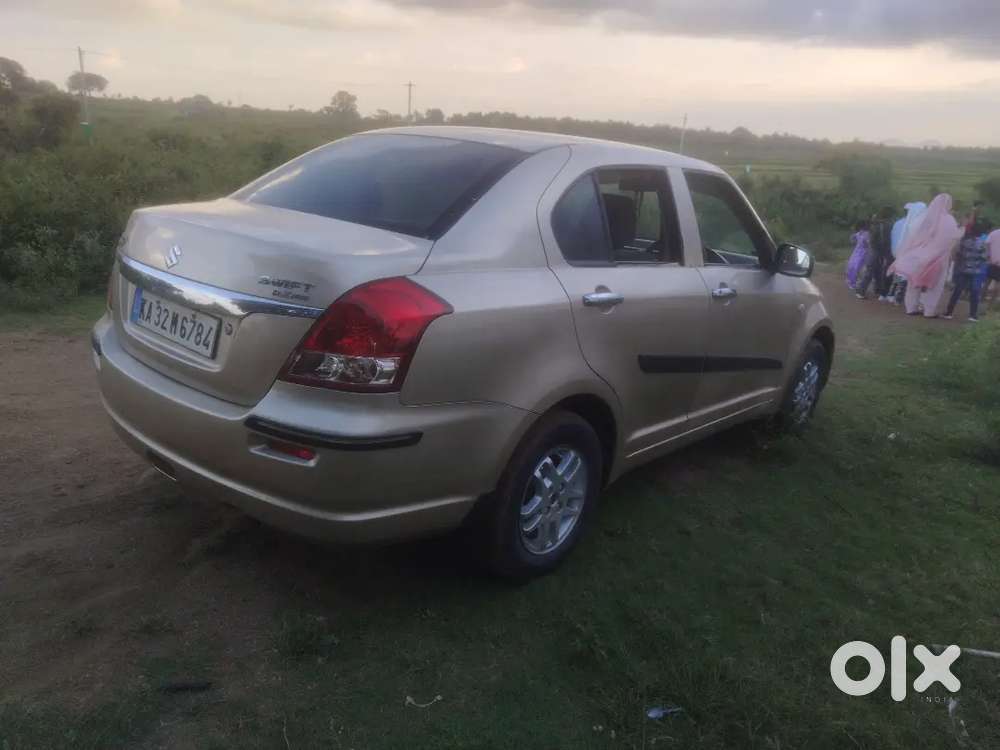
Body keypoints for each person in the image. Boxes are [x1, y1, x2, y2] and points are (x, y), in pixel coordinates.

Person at [888, 193, 963, 318]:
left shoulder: (925, 218)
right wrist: (961, 232)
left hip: (919, 255)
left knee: (913, 282)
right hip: (938, 257)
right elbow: (951, 239)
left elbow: (913, 233)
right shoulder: (949, 220)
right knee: (934, 284)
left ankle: (911, 308)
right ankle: (929, 311)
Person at [943, 219, 991, 321]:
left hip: (963, 270)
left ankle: (949, 313)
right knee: (975, 293)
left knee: (957, 291)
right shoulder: (982, 244)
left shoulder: (964, 241)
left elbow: (957, 254)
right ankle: (972, 315)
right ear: (981, 233)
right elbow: (985, 257)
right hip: (976, 271)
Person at [887, 201, 927, 304]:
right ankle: (899, 298)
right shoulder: (915, 225)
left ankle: (891, 294)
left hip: (897, 252)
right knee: (905, 276)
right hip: (908, 254)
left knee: (899, 273)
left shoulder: (899, 223)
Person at [855, 206, 894, 300]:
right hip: (879, 250)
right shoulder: (886, 224)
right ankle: (861, 290)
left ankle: (874, 289)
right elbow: (883, 239)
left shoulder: (876, 223)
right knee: (873, 270)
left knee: (876, 270)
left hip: (874, 249)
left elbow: (873, 238)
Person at [846, 219, 870, 290]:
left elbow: (852, 239)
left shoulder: (862, 233)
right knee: (855, 266)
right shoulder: (864, 233)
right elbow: (867, 243)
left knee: (854, 266)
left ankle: (853, 282)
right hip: (861, 252)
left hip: (860, 252)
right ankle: (853, 282)